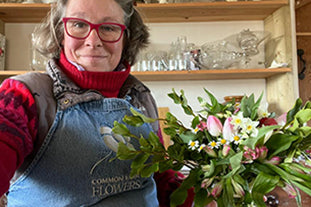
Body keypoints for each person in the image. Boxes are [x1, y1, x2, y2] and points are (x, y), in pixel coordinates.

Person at [0, 0, 194, 206]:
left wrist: (199, 190)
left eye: (109, 28)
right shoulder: (22, 95)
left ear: (127, 38)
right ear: (60, 33)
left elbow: (159, 179)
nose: (93, 41)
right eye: (79, 25)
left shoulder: (140, 97)